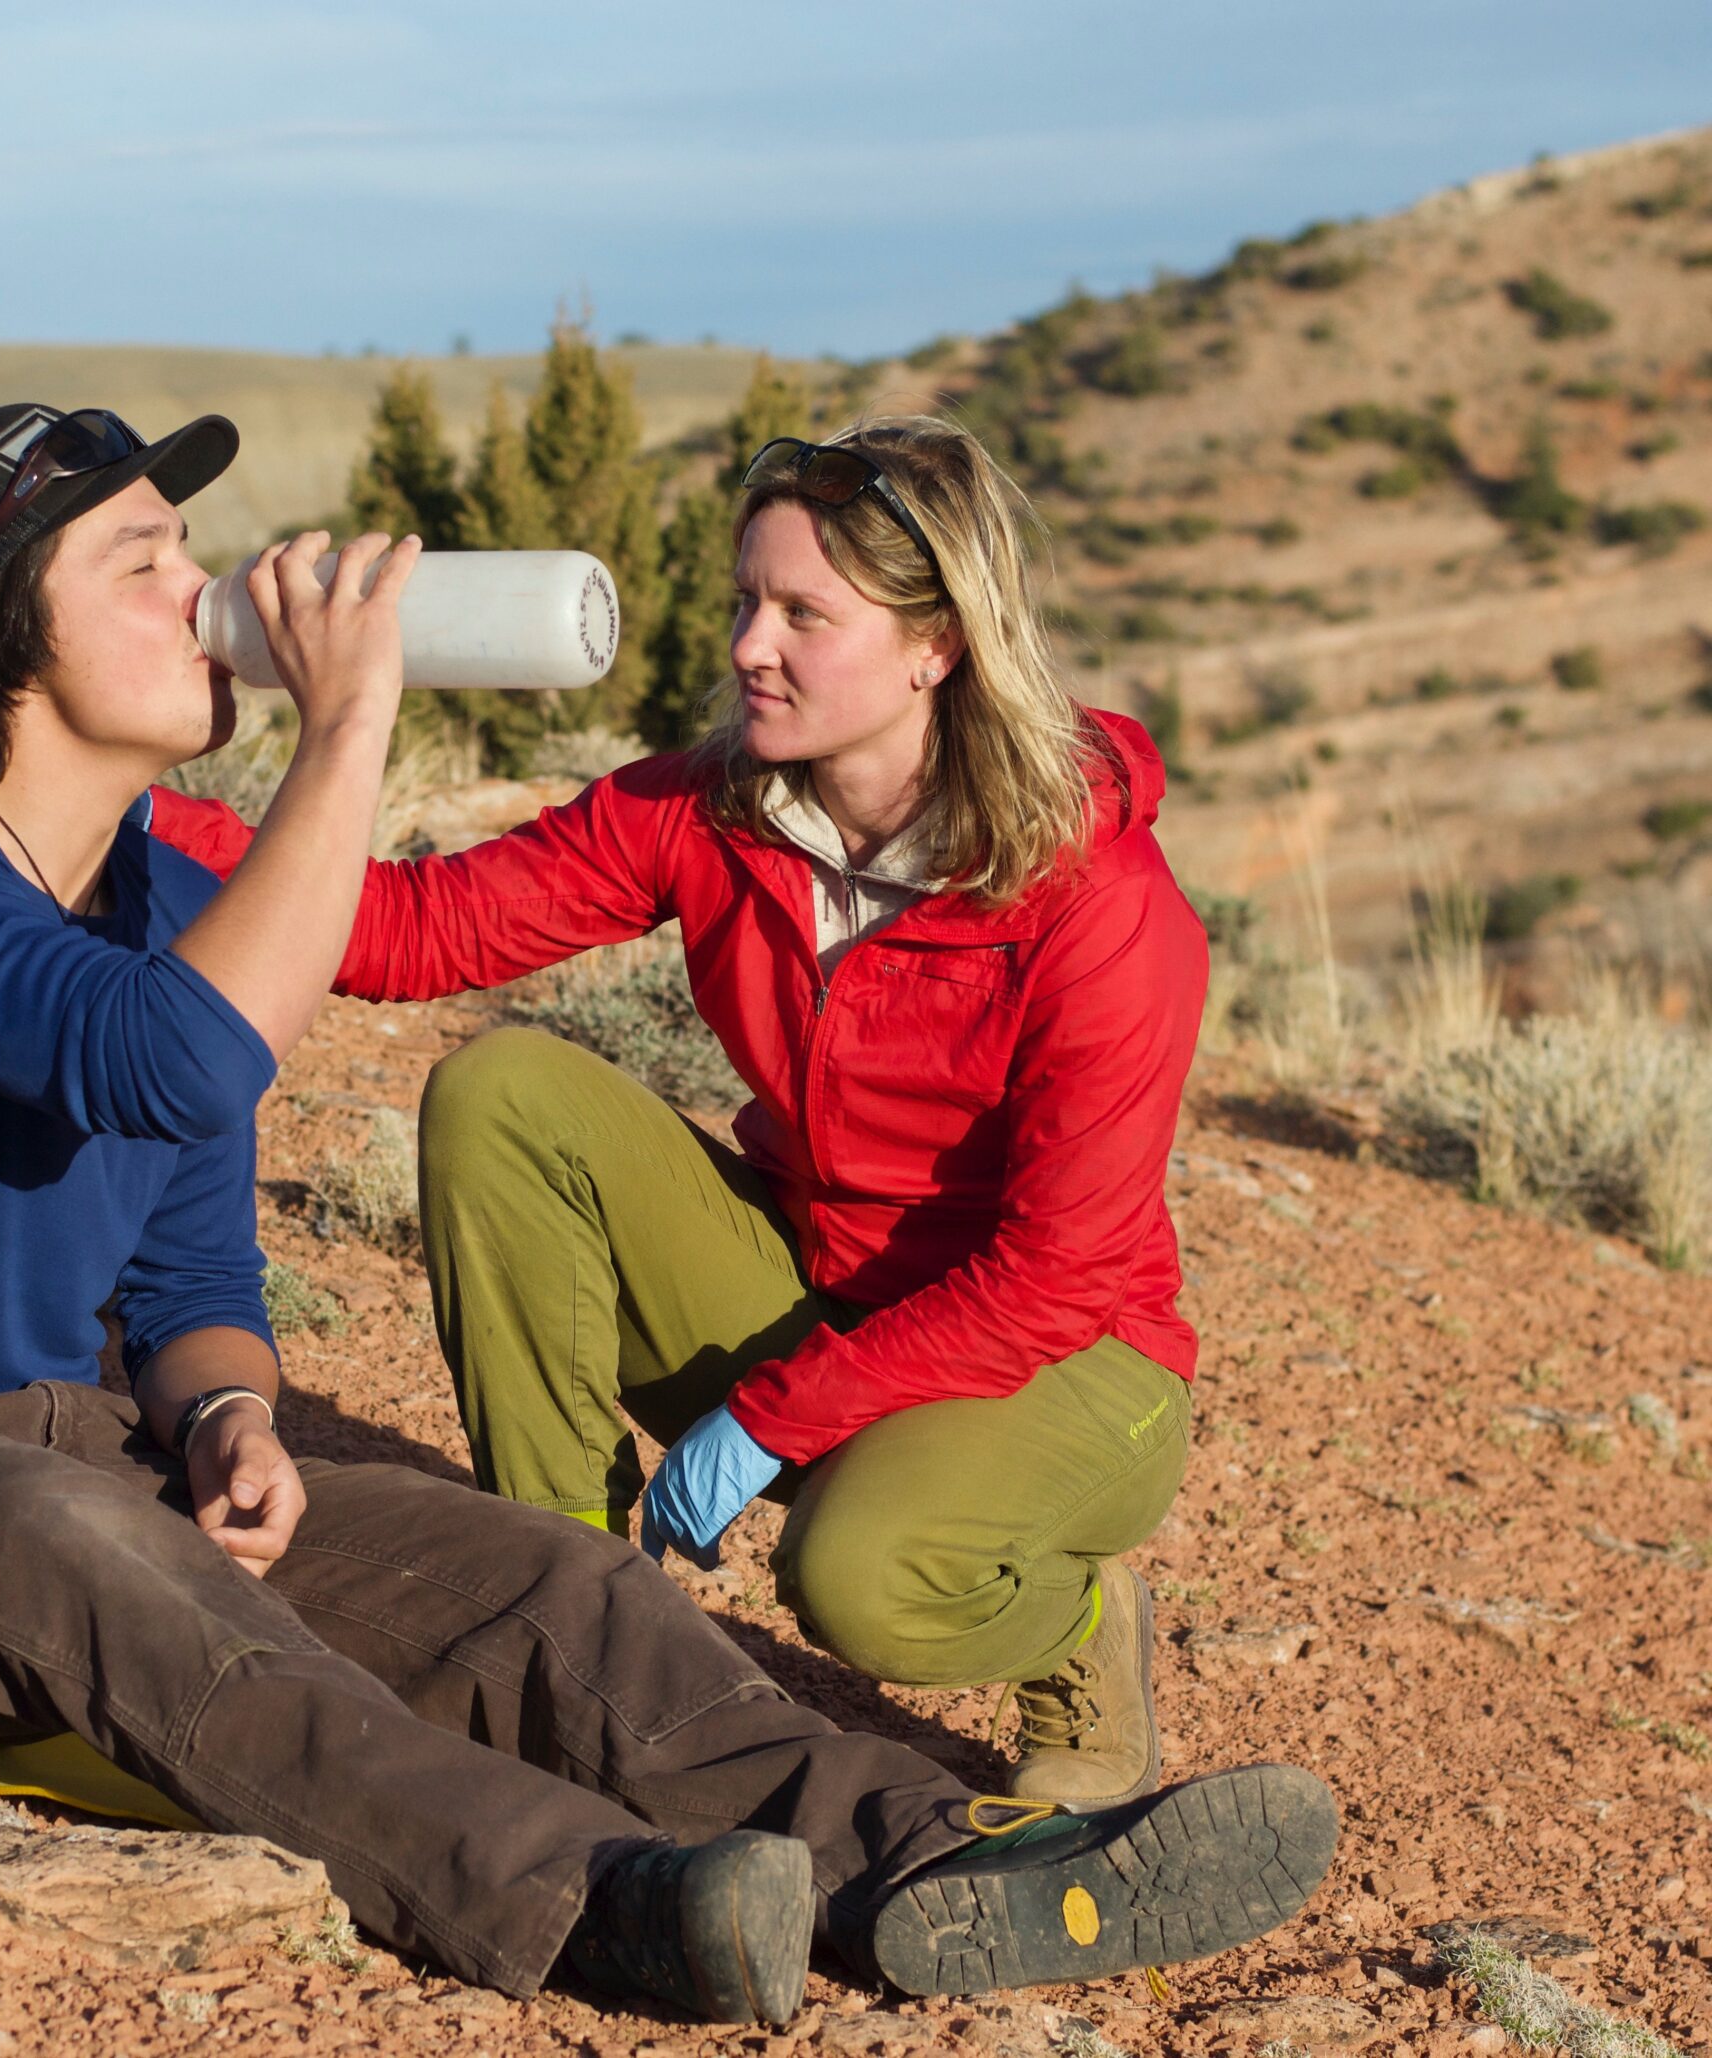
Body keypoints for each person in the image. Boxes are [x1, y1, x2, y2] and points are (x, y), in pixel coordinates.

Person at [0, 403, 1333, 2026]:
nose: (202, 589)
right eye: (138, 564)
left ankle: (937, 1856)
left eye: (183, 543)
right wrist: (350, 723)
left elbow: (193, 1257)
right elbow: (167, 1058)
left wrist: (223, 1411)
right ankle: (601, 1894)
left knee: (530, 1575)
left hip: (72, 1441)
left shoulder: (161, 899)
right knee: (87, 1553)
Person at [155, 416, 1208, 1815]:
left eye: (801, 614)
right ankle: (577, 1627)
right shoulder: (716, 810)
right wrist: (123, 814)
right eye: (744, 601)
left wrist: (771, 1415)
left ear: (935, 646)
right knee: (506, 1090)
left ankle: (1078, 1634)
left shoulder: (1102, 904)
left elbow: (1057, 1270)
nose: (747, 645)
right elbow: (415, 931)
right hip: (822, 1286)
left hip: (1066, 1356)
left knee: (855, 1570)